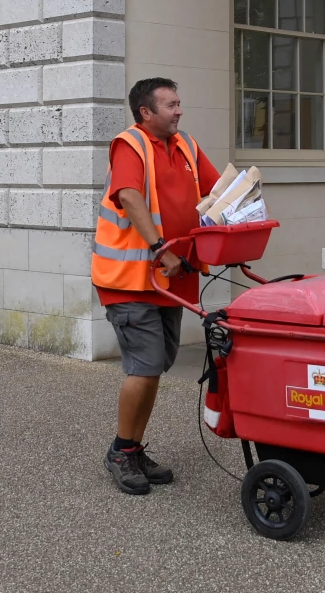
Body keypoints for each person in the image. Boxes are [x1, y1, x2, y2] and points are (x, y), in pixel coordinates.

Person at [92, 77, 221, 495]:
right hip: (131, 279)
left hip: (168, 280)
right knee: (145, 366)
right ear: (146, 112)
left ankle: (131, 446)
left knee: (156, 366)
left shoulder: (186, 145)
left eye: (180, 102)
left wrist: (246, 212)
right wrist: (161, 248)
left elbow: (219, 191)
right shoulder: (130, 144)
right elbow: (129, 196)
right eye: (170, 105)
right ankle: (120, 452)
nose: (179, 111)